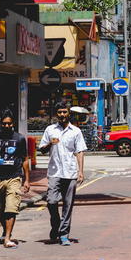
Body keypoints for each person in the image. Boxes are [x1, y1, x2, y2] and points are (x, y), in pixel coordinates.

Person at [38, 102, 87, 246]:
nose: (62, 115)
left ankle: (64, 234)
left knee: (68, 204)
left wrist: (81, 172)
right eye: (59, 112)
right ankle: (56, 225)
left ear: (68, 113)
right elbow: (42, 150)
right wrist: (50, 144)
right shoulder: (50, 130)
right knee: (51, 201)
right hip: (54, 172)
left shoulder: (76, 131)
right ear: (56, 114)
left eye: (64, 112)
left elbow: (79, 152)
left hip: (70, 172)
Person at [0, 110, 30, 249]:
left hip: (14, 177)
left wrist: (27, 180)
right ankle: (5, 231)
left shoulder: (19, 139)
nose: (7, 126)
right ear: (0, 123)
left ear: (13, 123)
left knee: (11, 208)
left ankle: (7, 238)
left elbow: (25, 160)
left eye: (9, 123)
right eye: (4, 123)